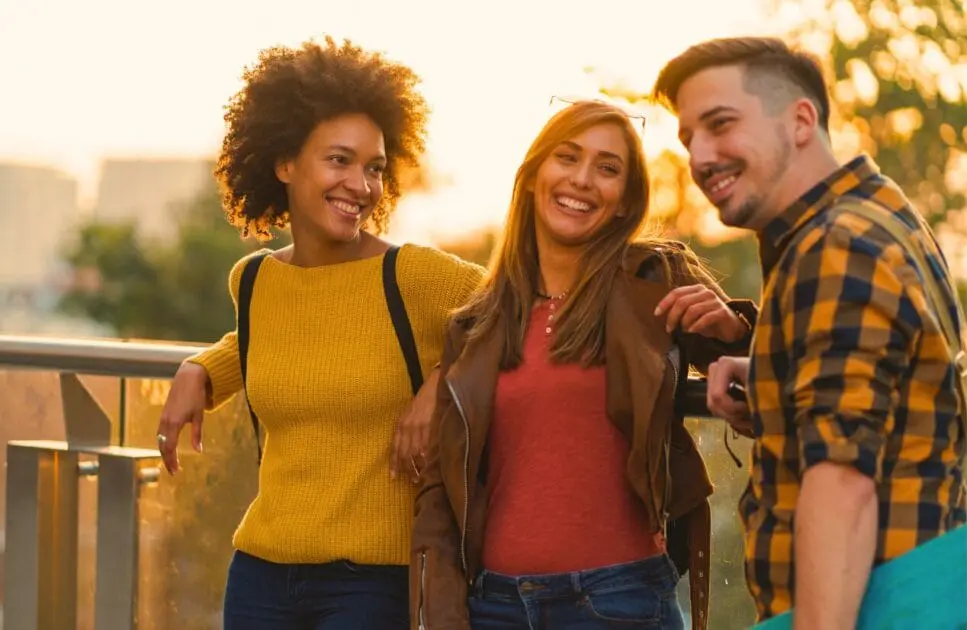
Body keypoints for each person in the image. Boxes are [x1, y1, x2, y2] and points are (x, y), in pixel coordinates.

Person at [154, 37, 484, 629]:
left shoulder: (413, 276)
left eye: (374, 168)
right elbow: (281, 340)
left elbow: (512, 311)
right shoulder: (255, 280)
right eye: (339, 160)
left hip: (373, 581)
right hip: (259, 572)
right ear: (285, 163)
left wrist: (442, 382)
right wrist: (201, 367)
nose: (361, 185)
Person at [653, 36, 967, 628]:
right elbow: (894, 385)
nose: (700, 157)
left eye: (721, 124)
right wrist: (775, 376)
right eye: (689, 138)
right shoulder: (881, 210)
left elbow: (842, 480)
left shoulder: (834, 247)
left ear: (800, 120)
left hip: (877, 607)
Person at [410, 99, 758, 630]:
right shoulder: (475, 327)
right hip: (494, 608)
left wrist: (735, 332)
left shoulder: (653, 279)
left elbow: (771, 383)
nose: (582, 179)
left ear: (625, 201)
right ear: (533, 176)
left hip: (619, 601)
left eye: (608, 168)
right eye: (567, 157)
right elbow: (440, 494)